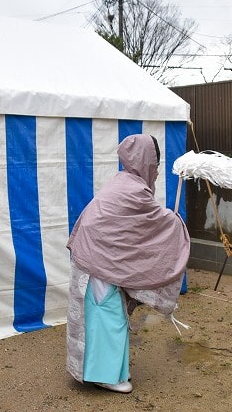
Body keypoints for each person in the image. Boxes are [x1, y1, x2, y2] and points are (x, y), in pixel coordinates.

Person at [66, 134, 190, 394]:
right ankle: (105, 375)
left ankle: (113, 371)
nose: (156, 171)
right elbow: (156, 222)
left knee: (109, 313)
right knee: (108, 315)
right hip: (97, 262)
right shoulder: (133, 189)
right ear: (146, 161)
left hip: (95, 258)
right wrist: (175, 223)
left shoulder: (124, 182)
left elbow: (137, 228)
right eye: (155, 164)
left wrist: (168, 221)